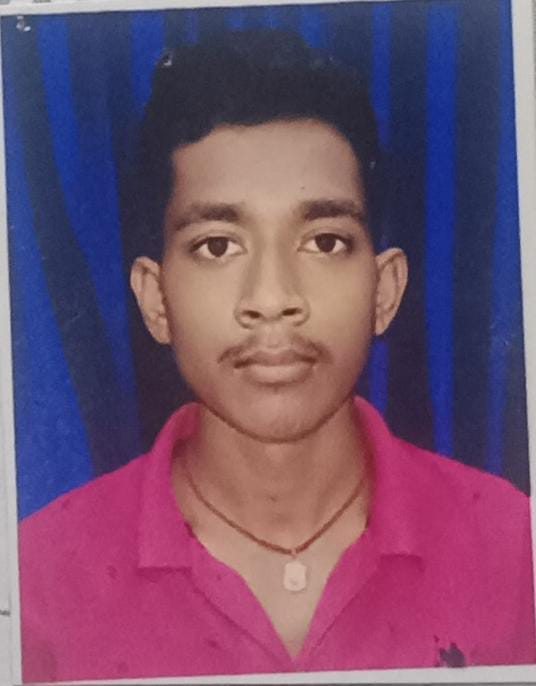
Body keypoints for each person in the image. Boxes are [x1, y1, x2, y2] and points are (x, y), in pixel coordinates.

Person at [19, 29, 535, 682]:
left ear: (385, 291)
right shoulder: (36, 581)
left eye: (324, 242)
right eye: (217, 246)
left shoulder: (514, 546)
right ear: (155, 300)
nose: (271, 299)